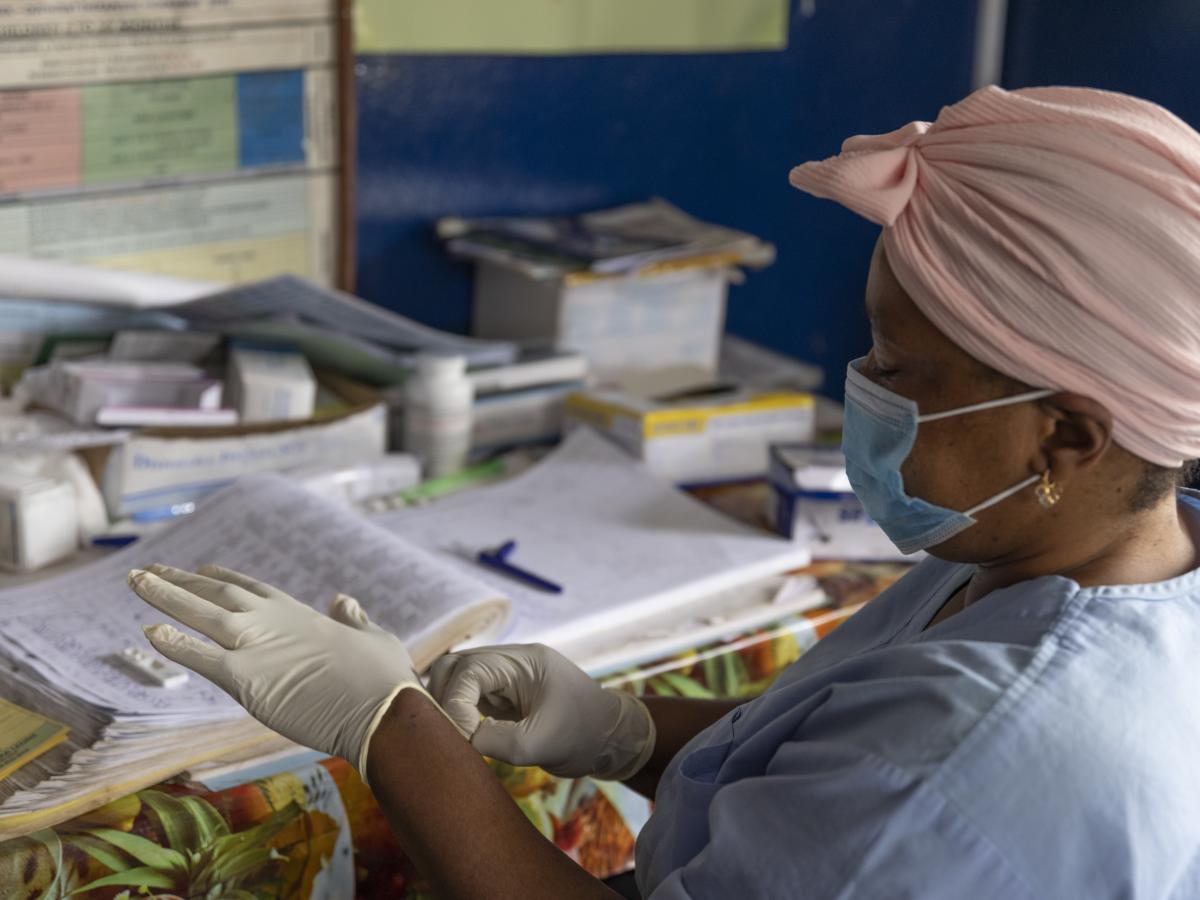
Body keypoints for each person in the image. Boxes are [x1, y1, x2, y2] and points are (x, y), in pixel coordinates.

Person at [127, 84, 1200, 899]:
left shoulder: (968, 762)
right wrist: (625, 730)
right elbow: (830, 747)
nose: (860, 390)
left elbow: (890, 774)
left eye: (895, 365)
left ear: (1063, 437)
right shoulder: (1088, 561)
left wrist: (385, 724)